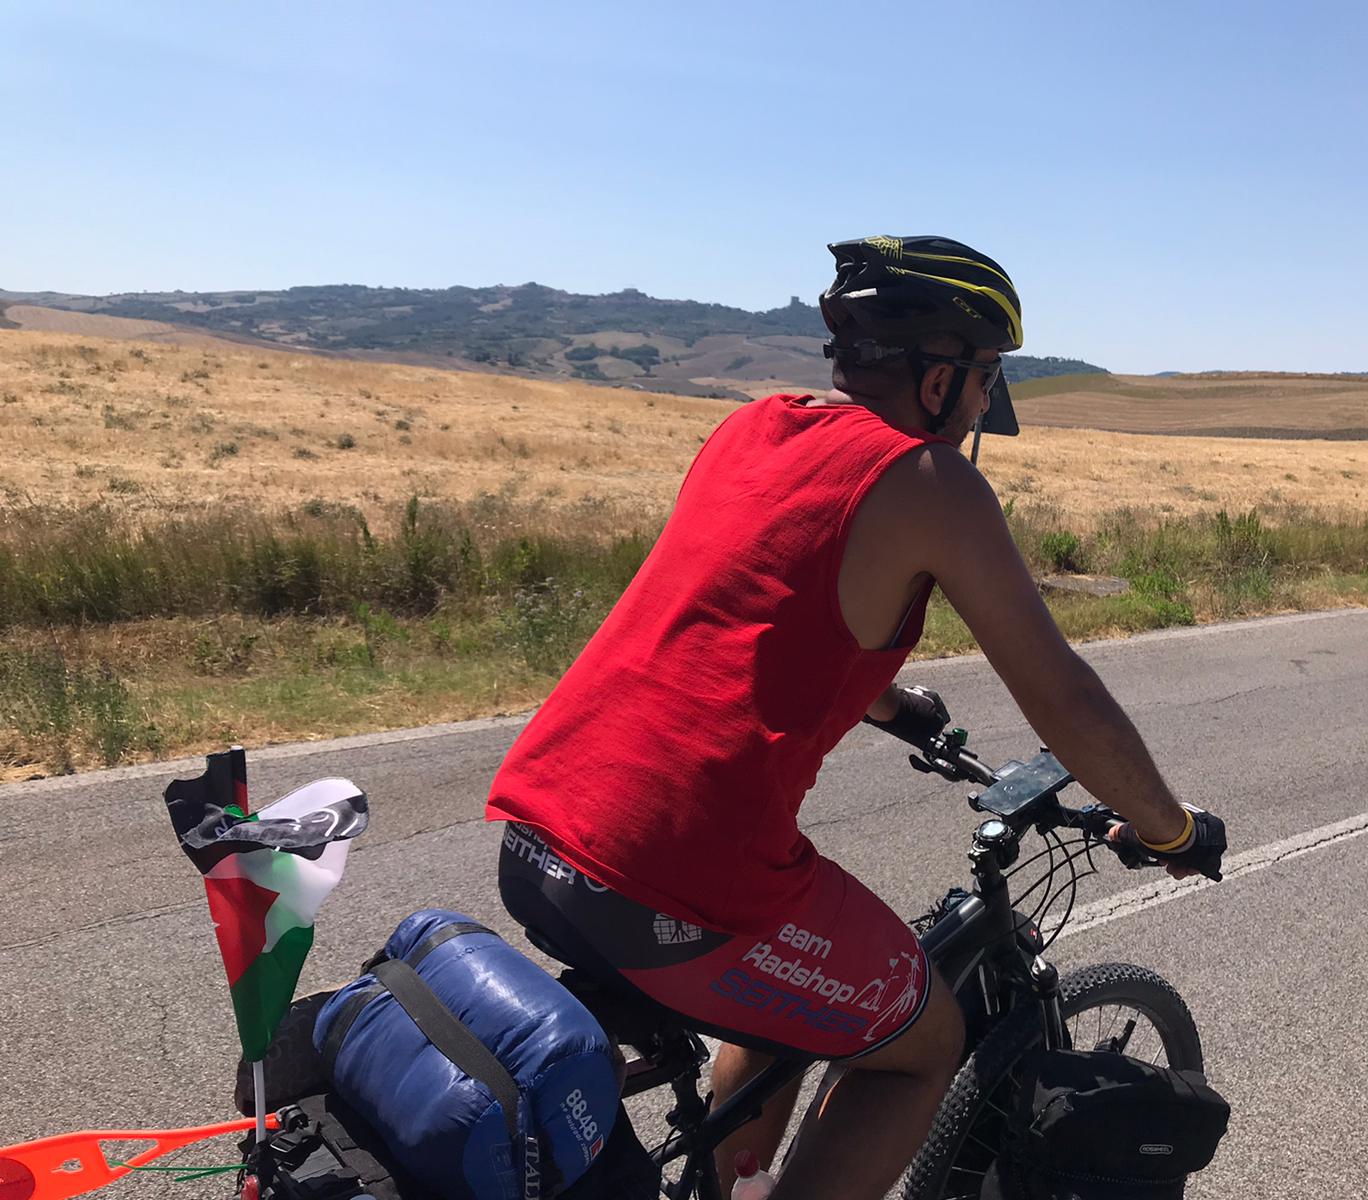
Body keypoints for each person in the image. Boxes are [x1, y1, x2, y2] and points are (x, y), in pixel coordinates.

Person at [487, 235, 1227, 1199]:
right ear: (940, 379)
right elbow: (1066, 698)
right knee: (924, 1046)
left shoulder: (752, 427)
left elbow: (759, 602)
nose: (984, 405)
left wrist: (891, 701)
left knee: (777, 1010)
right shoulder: (930, 482)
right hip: (671, 873)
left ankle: (732, 1188)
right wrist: (1171, 830)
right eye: (988, 378)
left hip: (539, 830)